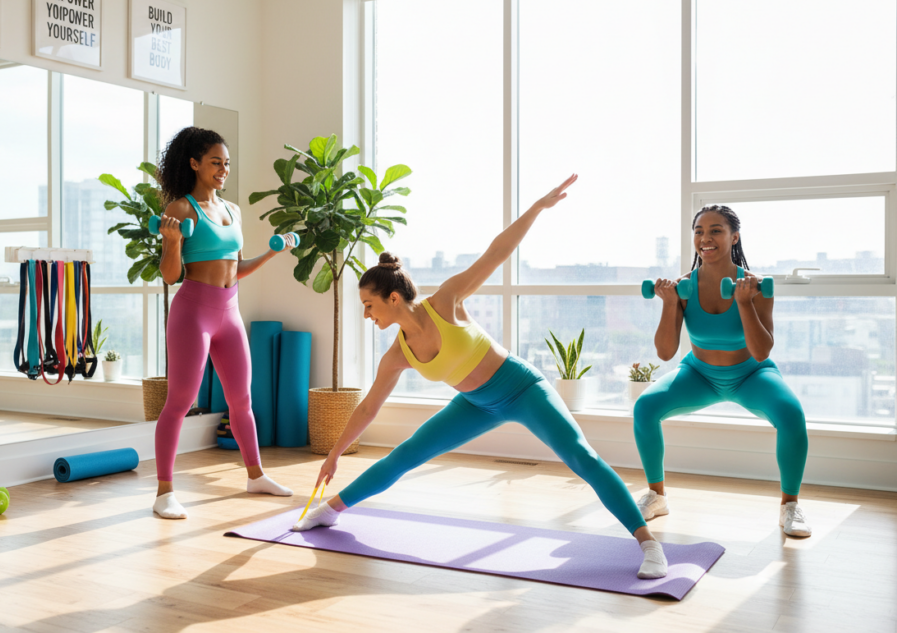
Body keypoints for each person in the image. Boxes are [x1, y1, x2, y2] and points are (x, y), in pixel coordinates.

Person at [292, 175, 669, 580]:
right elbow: (368, 407)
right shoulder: (398, 353)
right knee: (405, 454)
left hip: (523, 389)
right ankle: (329, 511)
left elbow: (498, 251)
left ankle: (649, 545)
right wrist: (334, 454)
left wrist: (538, 207)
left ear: (394, 298)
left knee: (583, 457)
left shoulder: (446, 301)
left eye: (369, 305)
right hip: (475, 404)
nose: (367, 315)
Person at [633, 205, 811, 537]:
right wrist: (670, 303)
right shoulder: (684, 287)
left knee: (791, 414)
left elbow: (761, 351)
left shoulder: (755, 287)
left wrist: (744, 302)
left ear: (734, 237)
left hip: (751, 374)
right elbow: (666, 352)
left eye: (716, 230)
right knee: (645, 407)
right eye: (699, 231)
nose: (705, 238)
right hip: (699, 374)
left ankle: (790, 506)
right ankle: (656, 496)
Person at [151, 127, 293, 519]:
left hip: (229, 311)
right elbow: (170, 275)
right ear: (194, 163)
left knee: (242, 400)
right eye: (215, 162)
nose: (223, 169)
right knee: (180, 401)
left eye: (226, 163)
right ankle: (164, 492)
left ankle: (256, 475)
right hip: (192, 311)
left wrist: (269, 254)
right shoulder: (180, 210)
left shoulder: (233, 211)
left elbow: (236, 266)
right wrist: (172, 242)